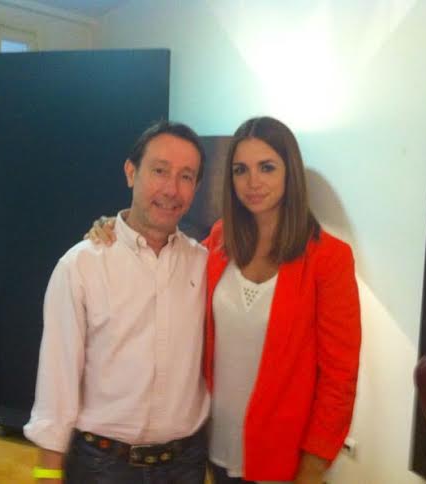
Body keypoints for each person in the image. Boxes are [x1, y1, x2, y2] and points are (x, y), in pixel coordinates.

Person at [87, 116, 361, 484]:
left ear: (290, 172)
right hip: (213, 446)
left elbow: (340, 378)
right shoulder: (220, 239)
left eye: (267, 167)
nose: (253, 182)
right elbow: (167, 258)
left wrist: (313, 466)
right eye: (240, 170)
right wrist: (115, 226)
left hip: (283, 458)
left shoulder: (328, 258)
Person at [24, 120, 212, 484]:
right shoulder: (81, 265)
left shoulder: (205, 265)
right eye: (160, 171)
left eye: (186, 176)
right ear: (131, 172)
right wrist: (47, 472)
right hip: (103, 467)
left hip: (185, 464)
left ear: (196, 187)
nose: (171, 189)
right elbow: (57, 380)